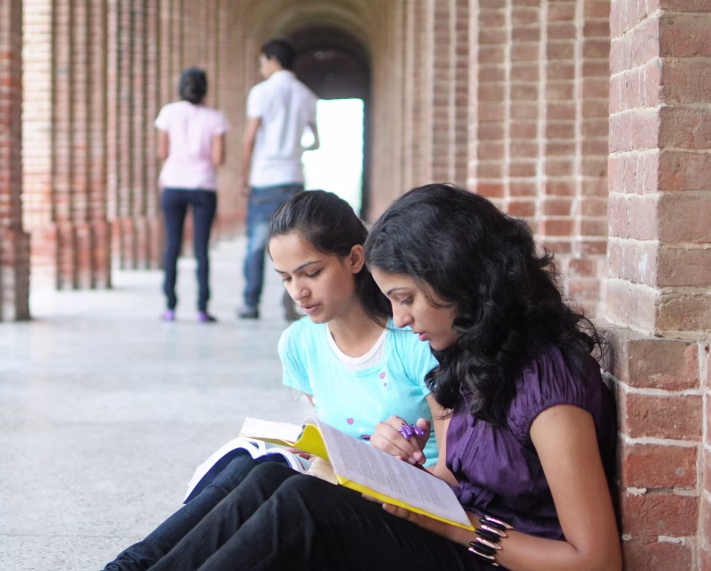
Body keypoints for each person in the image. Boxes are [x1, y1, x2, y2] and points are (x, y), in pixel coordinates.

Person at [139, 183, 621, 571]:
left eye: (407, 298)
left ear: (460, 278)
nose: (401, 319)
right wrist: (403, 476)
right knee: (268, 475)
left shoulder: (549, 386)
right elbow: (458, 475)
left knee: (305, 508)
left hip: (490, 558)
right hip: (455, 540)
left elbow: (596, 561)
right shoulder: (476, 353)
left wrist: (459, 526)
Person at [105, 190, 439, 570]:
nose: (299, 291)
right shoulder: (300, 343)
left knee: (281, 489)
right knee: (255, 466)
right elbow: (334, 434)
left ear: (355, 258)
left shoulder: (415, 342)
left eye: (312, 273)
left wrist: (391, 457)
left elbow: (456, 466)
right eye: (286, 278)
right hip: (340, 484)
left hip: (398, 504)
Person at [237, 38, 320, 320]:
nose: (261, 69)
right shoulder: (307, 95)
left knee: (256, 245)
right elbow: (316, 141)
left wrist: (243, 176)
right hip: (293, 177)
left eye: (262, 62)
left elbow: (249, 138)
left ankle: (250, 303)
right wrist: (296, 148)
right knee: (295, 246)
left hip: (265, 177)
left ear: (272, 60)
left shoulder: (261, 92)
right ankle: (292, 304)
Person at [155, 68, 229, 322]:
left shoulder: (168, 112)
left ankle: (170, 307)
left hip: (173, 185)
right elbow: (219, 158)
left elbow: (162, 152)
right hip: (203, 186)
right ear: (205, 89)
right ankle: (201, 308)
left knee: (172, 246)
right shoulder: (216, 118)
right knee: (201, 249)